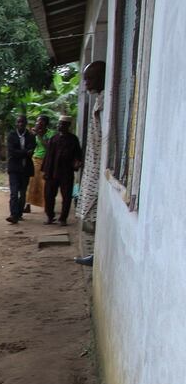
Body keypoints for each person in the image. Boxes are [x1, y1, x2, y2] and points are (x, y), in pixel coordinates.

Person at [75, 61, 106, 266]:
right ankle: (95, 253)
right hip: (94, 166)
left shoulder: (105, 102)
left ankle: (96, 255)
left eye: (89, 78)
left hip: (99, 167)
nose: (85, 84)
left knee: (94, 212)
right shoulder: (100, 101)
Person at [42, 115, 82, 226]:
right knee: (49, 196)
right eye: (59, 124)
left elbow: (78, 155)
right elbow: (48, 157)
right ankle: (50, 216)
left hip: (66, 173)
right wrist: (45, 171)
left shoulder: (73, 140)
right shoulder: (53, 139)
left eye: (63, 124)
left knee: (67, 196)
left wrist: (77, 163)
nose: (60, 126)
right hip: (51, 172)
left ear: (68, 125)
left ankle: (63, 218)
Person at [5, 115, 36, 224]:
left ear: (26, 123)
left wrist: (20, 153)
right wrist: (25, 152)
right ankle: (13, 215)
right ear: (16, 123)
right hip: (14, 168)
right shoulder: (11, 136)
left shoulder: (31, 136)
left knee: (22, 193)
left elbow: (32, 150)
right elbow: (11, 151)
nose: (21, 124)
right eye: (19, 122)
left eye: (23, 122)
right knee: (14, 193)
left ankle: (19, 213)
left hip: (26, 169)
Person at [27, 115, 51, 211]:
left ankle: (46, 205)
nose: (38, 124)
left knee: (44, 183)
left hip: (46, 160)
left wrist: (40, 135)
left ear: (45, 124)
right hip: (35, 159)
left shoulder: (50, 134)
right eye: (37, 122)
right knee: (31, 183)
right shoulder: (34, 133)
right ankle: (27, 205)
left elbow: (48, 147)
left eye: (41, 122)